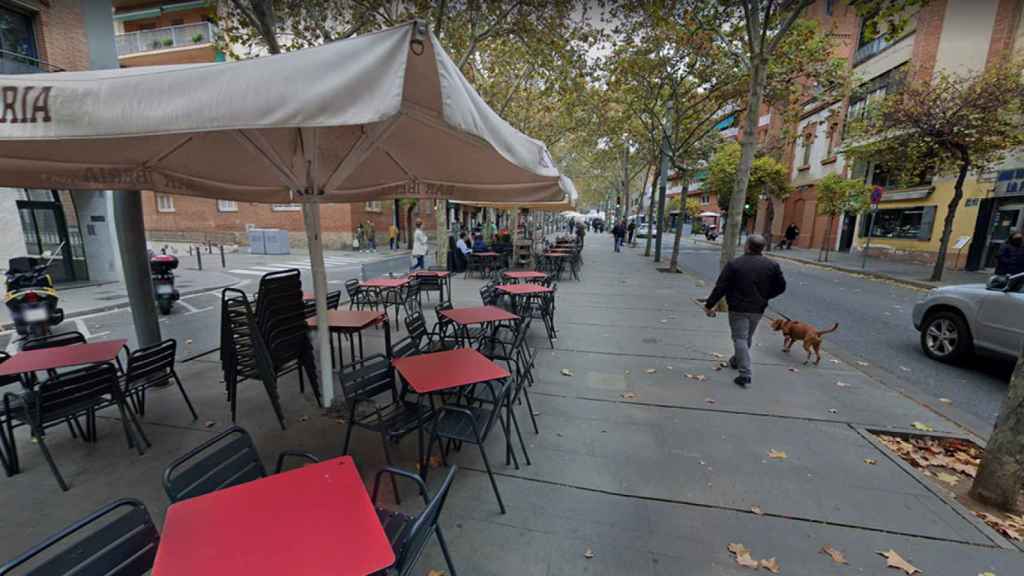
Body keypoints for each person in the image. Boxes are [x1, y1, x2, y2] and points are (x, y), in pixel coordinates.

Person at [704, 235, 786, 388]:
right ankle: (736, 360)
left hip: (738, 307)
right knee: (746, 337)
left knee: (740, 338)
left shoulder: (734, 264)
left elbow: (721, 286)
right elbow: (781, 287)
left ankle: (745, 374)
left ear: (747, 246)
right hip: (758, 308)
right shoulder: (772, 265)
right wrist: (765, 296)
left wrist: (709, 305)